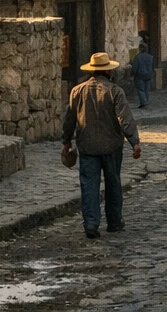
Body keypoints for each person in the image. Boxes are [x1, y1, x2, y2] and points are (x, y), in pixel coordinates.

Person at [62, 52, 142, 238]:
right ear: (108, 71)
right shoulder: (115, 91)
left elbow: (69, 120)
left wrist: (66, 142)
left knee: (89, 185)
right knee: (113, 184)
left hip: (87, 146)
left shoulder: (77, 91)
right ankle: (114, 221)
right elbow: (125, 119)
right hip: (112, 146)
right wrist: (134, 143)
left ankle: (91, 224)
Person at [129, 44, 154, 109]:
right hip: (148, 75)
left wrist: (132, 75)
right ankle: (146, 101)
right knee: (146, 89)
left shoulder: (137, 57)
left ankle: (143, 102)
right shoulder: (150, 57)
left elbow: (134, 68)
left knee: (141, 90)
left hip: (140, 75)